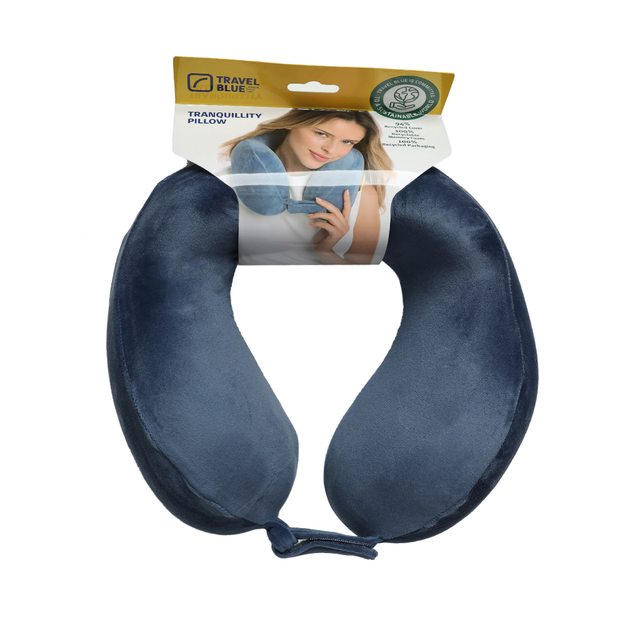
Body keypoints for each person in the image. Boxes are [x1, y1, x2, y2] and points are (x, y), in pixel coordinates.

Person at [221, 110, 392, 265]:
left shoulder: (362, 193)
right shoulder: (228, 182)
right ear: (292, 124)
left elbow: (363, 277)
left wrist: (325, 252)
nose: (330, 149)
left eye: (347, 142)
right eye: (321, 134)